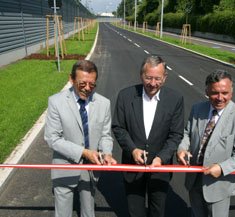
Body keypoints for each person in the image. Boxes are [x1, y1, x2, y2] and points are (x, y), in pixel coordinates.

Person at [112, 55, 184, 217]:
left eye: (157, 78)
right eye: (148, 78)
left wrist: (161, 158)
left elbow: (176, 134)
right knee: (134, 211)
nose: (152, 83)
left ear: (165, 78)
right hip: (133, 166)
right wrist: (132, 150)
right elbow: (118, 127)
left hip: (160, 169)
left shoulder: (175, 99)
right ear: (141, 75)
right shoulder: (125, 96)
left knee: (157, 211)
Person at [44, 60, 116, 217]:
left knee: (88, 212)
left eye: (92, 85)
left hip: (90, 168)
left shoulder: (104, 103)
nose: (88, 89)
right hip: (64, 166)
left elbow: (105, 135)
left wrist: (107, 153)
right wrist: (83, 152)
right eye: (82, 84)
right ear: (71, 79)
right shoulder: (56, 102)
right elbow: (52, 138)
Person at [177, 70, 235, 217]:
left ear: (231, 92)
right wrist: (182, 149)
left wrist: (221, 168)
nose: (220, 98)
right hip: (194, 179)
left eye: (225, 93)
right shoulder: (197, 109)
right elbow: (187, 133)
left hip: (218, 185)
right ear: (206, 91)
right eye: (214, 93)